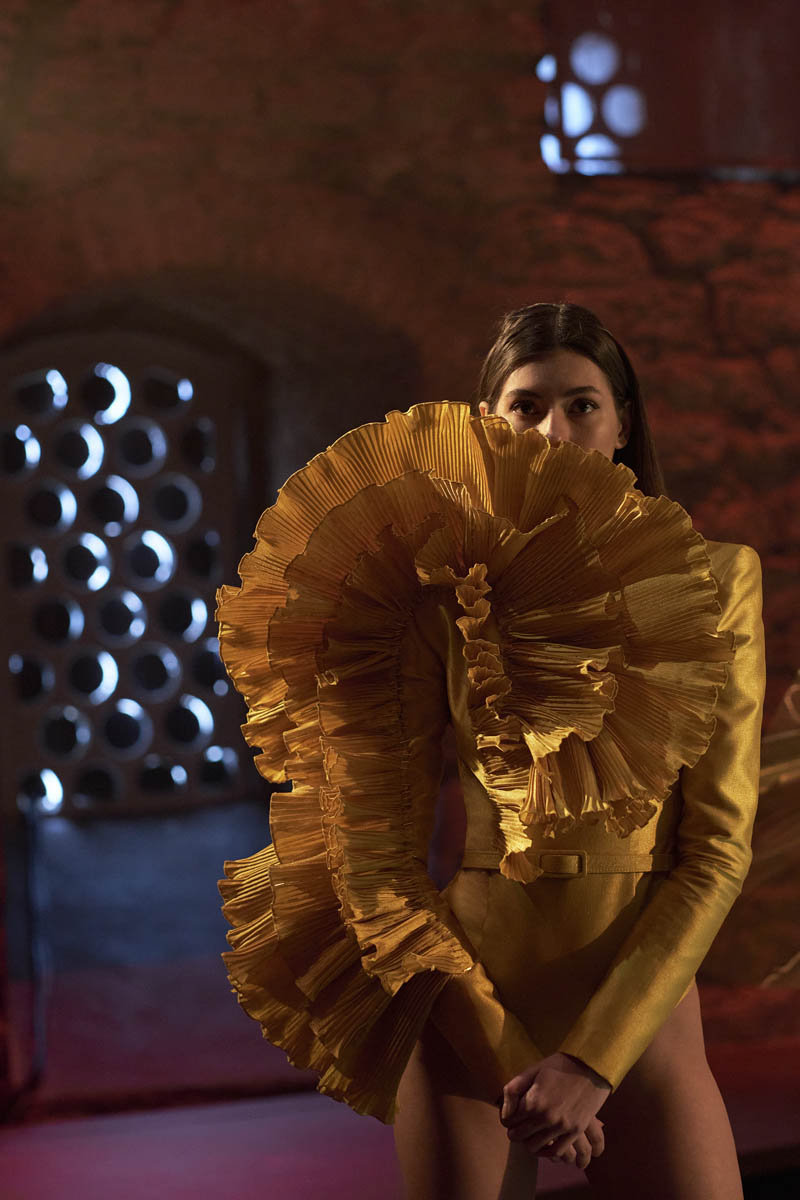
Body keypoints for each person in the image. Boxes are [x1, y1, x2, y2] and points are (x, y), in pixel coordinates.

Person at [217, 302, 765, 1200]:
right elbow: (377, 863)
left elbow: (718, 852)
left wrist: (588, 1065)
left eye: (582, 404)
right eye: (527, 406)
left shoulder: (715, 578)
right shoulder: (433, 592)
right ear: (489, 425)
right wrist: (516, 1067)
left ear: (624, 422)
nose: (554, 430)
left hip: (640, 1013)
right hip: (468, 1008)